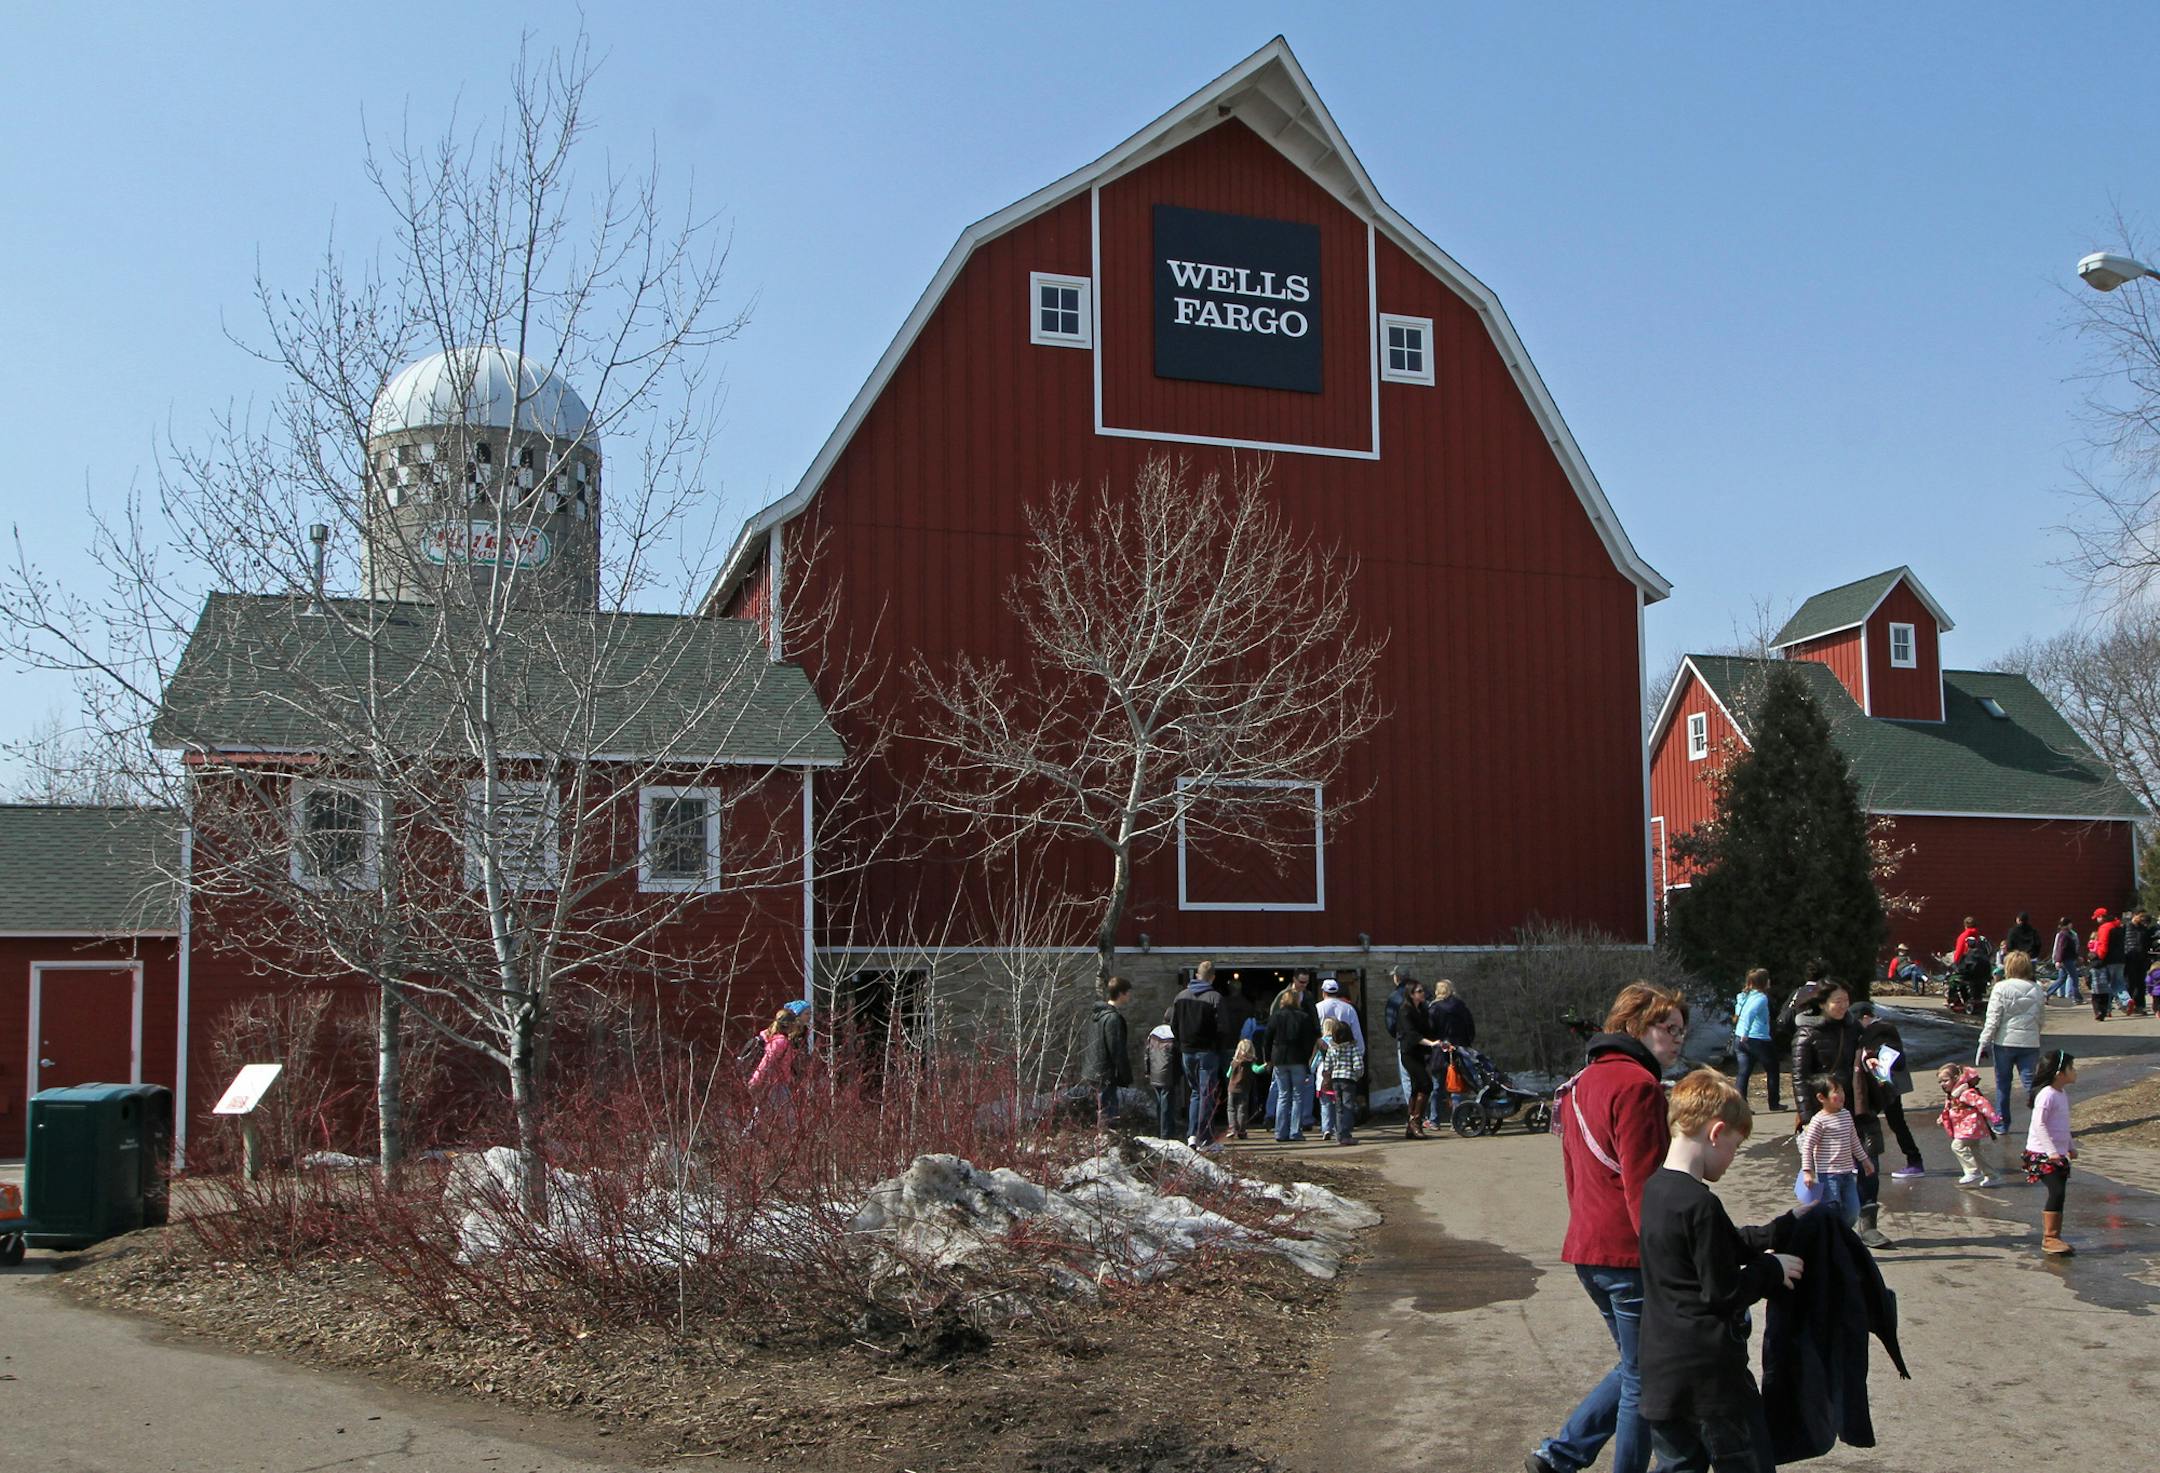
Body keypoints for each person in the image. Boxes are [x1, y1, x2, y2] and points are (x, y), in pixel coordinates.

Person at [1526, 982, 1689, 1473]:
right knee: (1646, 1376)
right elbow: (1644, 1186)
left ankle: (1562, 1454)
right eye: (1669, 1028)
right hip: (1629, 1254)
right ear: (1637, 1027)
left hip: (1589, 1249)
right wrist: (1667, 1257)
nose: (1678, 1039)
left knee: (1635, 1366)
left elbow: (1575, 1174)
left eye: (1682, 1030)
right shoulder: (1638, 1086)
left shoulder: (1579, 1083)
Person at [1639, 1070, 1803, 1473]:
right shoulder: (1700, 1204)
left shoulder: (1657, 1190)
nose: (1732, 1158)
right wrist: (1771, 1269)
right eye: (1734, 1145)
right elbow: (1722, 1293)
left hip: (1662, 1375)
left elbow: (1720, 1246)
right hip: (1711, 1382)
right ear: (1715, 1133)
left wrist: (1779, 1229)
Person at [1791, 981, 1891, 1248]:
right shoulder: (1806, 1034)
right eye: (1837, 1001)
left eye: (1846, 1000)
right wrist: (1810, 1117)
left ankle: (1869, 1225)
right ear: (1822, 1004)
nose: (1843, 1006)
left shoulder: (1854, 1028)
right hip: (1825, 1112)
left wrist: (1871, 1058)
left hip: (1858, 1106)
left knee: (1869, 1162)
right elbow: (1799, 1079)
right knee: (1830, 1175)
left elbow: (1866, 1050)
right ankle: (1827, 1228)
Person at [1977, 948, 2045, 1131]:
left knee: (2003, 1085)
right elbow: (2041, 1019)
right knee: (2031, 1083)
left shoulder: (2000, 988)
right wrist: (2035, 1034)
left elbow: (1993, 1019)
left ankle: (2001, 1123)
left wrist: (1984, 1041)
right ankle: (2044, 1120)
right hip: (2030, 1042)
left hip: (2004, 1042)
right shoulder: (2037, 989)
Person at [1854, 1001, 1924, 1177]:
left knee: (1892, 1122)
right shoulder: (1874, 1030)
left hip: (1886, 1085)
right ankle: (1912, 1161)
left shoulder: (1880, 1030)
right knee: (1886, 1122)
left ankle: (1914, 1161)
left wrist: (1873, 1055)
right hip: (1882, 1084)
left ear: (1866, 1017)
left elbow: (1893, 1055)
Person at [1796, 1074, 1873, 1227]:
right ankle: (1831, 1239)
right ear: (1821, 1097)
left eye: (1842, 1091)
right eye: (1836, 1092)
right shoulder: (1819, 1120)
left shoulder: (1846, 1115)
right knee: (1831, 1210)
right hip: (1828, 1175)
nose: (1842, 1095)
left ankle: (1837, 1235)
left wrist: (1865, 1160)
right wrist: (1807, 1171)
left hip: (1848, 1173)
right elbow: (1808, 1146)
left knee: (1853, 1211)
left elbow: (1854, 1141)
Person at [2023, 1049, 2079, 1256]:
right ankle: (2050, 1238)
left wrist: (2070, 1147)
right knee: (2056, 1191)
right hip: (2041, 1154)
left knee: (2060, 1193)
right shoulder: (2046, 1095)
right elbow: (2039, 1125)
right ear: (2058, 1073)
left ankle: (2055, 1237)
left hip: (2057, 1153)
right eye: (2071, 1068)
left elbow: (2063, 1126)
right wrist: (2051, 1152)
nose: (2075, 1071)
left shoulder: (2061, 1094)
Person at [1170, 967, 1228, 1151]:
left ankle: (1192, 1135)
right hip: (1207, 1051)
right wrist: (1218, 1048)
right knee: (1207, 1094)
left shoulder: (1180, 997)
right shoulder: (1214, 998)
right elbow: (1223, 1028)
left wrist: (1182, 1043)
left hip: (1187, 1051)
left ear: (1196, 975)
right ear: (1212, 977)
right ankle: (1206, 1139)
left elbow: (1173, 1024)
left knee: (1195, 1092)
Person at [1262, 985, 1320, 1143]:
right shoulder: (1303, 1017)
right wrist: (1307, 1057)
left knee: (1283, 1095)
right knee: (1298, 1096)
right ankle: (1295, 1131)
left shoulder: (1276, 1017)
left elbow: (1267, 1038)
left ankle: (1280, 1132)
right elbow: (1308, 1041)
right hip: (1298, 1059)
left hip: (1280, 1059)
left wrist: (1268, 1058)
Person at [1935, 1062, 2006, 1188]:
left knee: (1957, 1146)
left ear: (1956, 1078)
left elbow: (1981, 1103)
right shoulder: (1952, 1094)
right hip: (1964, 1127)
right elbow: (1949, 1108)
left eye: (1945, 1080)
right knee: (1975, 1153)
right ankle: (1992, 1176)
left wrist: (1993, 1116)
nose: (1942, 1084)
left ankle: (1972, 1171)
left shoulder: (1965, 1093)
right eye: (1940, 1082)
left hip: (1971, 1126)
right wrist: (1942, 1118)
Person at [1082, 976, 1133, 1129]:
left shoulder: (1097, 1016)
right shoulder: (1112, 1019)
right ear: (1121, 994)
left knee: (1099, 1112)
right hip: (1105, 1074)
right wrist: (1125, 1076)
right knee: (1108, 1116)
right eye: (1128, 992)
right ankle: (1106, 1145)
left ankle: (1100, 1142)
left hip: (1093, 1071)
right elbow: (1117, 1050)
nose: (1130, 995)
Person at [1392, 979, 1440, 1140]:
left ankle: (1410, 1125)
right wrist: (1430, 1043)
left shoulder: (1423, 1009)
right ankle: (1416, 1121)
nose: (1423, 993)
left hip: (1421, 1052)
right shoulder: (1405, 1010)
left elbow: (1429, 1030)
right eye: (1419, 991)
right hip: (1409, 1052)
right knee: (1426, 1083)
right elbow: (1411, 1034)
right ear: (1411, 994)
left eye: (1422, 990)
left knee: (1416, 1086)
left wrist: (1439, 1042)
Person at [1426, 978, 1477, 1125]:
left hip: (1439, 1051)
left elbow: (1429, 1030)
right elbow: (1470, 1028)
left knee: (1437, 1087)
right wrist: (1466, 1043)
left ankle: (1434, 1119)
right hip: (1458, 1049)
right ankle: (1457, 1120)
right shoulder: (1461, 1007)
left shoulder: (1433, 1009)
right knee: (1456, 1087)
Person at [1732, 969, 1779, 1111]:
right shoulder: (1761, 998)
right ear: (1764, 982)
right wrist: (1746, 1032)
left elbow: (1738, 1012)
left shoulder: (1743, 996)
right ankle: (1774, 1102)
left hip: (1739, 1038)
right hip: (1757, 1038)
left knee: (1743, 1072)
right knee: (1772, 1068)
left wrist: (1742, 1033)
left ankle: (1741, 1105)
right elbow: (1750, 1014)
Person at [748, 1008, 807, 1121]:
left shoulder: (779, 1040)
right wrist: (755, 1081)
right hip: (775, 1084)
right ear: (790, 1025)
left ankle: (748, 1136)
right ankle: (747, 1136)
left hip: (777, 1083)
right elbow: (766, 1062)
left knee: (761, 1115)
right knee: (790, 1119)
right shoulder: (780, 1042)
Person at [1316, 1017, 1363, 1145]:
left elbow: (1327, 1066)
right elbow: (1358, 1065)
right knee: (1348, 1106)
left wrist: (1330, 1074)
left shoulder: (1332, 1048)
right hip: (1348, 1080)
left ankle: (1339, 1134)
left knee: (1339, 1107)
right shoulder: (1353, 1048)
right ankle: (1346, 1135)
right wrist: (1357, 1075)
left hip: (1335, 1079)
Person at [1144, 1023, 1182, 1140]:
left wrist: (1147, 1071)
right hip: (1167, 1075)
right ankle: (1166, 1134)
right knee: (1167, 1105)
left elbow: (1146, 1055)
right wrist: (1179, 1074)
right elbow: (1177, 1058)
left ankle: (1160, 1129)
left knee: (1160, 1104)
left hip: (1155, 1075)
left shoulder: (1154, 1033)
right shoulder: (1173, 1036)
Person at [1224, 1036, 1264, 1140]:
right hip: (1244, 1089)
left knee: (1231, 1109)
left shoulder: (1234, 1062)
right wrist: (1265, 1066)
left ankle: (1232, 1128)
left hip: (1232, 1089)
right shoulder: (1251, 1063)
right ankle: (1242, 1130)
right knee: (1242, 1110)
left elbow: (1228, 1075)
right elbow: (1257, 1070)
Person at [2089, 906, 2124, 1021]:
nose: (2096, 920)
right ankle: (2124, 1002)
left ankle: (2103, 1010)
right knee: (2117, 983)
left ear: (2101, 917)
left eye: (2097, 918)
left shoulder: (2104, 928)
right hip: (2121, 959)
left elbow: (2103, 945)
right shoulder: (2118, 926)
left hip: (2107, 960)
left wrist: (2098, 957)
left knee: (2103, 987)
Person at [2126, 910, 2155, 1018]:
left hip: (2141, 958)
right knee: (2130, 982)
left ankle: (2140, 1005)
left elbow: (2147, 942)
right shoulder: (2127, 927)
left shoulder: (2143, 929)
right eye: (2140, 916)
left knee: (2140, 983)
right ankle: (2128, 1004)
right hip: (2130, 957)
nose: (2142, 919)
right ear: (2135, 915)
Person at [2049, 916, 2083, 1003]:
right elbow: (2061, 949)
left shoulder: (2065, 934)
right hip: (2067, 960)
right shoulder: (2065, 935)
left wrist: (2076, 957)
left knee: (2062, 978)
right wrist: (2058, 960)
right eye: (2070, 924)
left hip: (2066, 959)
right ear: (2067, 924)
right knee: (2074, 978)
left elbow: (2067, 949)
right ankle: (2077, 998)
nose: (2071, 925)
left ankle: (2047, 993)